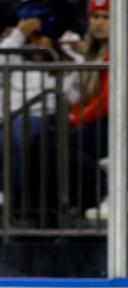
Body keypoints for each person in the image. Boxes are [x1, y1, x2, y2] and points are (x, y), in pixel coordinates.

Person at [68, 0, 128, 221]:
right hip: (107, 120)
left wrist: (75, 118)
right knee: (59, 140)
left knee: (66, 144)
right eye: (95, 17)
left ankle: (111, 192)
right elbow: (90, 99)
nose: (99, 23)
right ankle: (106, 193)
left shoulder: (126, 50)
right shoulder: (93, 53)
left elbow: (108, 100)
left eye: (106, 17)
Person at [0, 1, 64, 206]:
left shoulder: (67, 63)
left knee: (17, 133)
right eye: (30, 39)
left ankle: (5, 195)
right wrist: (17, 35)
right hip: (6, 121)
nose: (35, 44)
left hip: (42, 120)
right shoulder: (14, 58)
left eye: (40, 38)